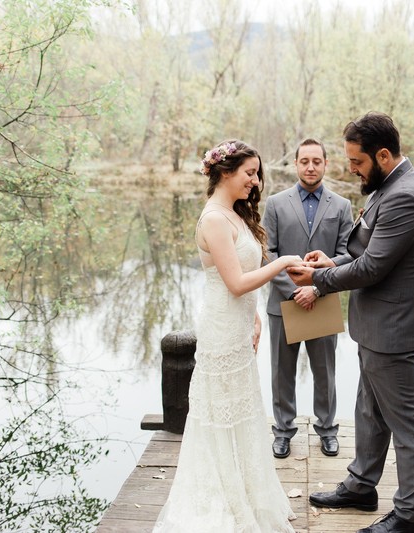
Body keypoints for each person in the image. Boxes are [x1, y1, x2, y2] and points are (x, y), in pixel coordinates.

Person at [287, 112, 414, 533]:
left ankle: (409, 516)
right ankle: (360, 486)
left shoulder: (405, 196)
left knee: (408, 425)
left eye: (357, 161)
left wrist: (318, 279)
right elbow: (365, 252)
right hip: (376, 328)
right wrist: (331, 260)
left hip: (393, 331)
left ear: (384, 155)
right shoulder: (387, 186)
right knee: (369, 412)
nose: (351, 168)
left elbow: (371, 268)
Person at [152, 140, 300, 533]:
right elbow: (234, 282)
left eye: (256, 173)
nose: (255, 181)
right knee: (220, 414)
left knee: (243, 411)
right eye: (249, 173)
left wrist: (254, 316)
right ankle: (221, 500)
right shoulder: (213, 220)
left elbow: (241, 278)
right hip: (219, 330)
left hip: (238, 327)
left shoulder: (234, 215)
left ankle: (249, 493)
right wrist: (283, 262)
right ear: (224, 172)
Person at [263, 138, 354, 459]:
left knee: (325, 372)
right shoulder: (275, 203)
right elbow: (267, 254)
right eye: (305, 161)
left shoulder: (342, 206)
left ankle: (327, 430)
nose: (311, 167)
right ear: (296, 164)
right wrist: (294, 290)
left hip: (323, 299)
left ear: (326, 164)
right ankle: (283, 431)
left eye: (317, 161)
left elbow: (348, 255)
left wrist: (316, 287)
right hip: (283, 303)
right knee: (281, 373)